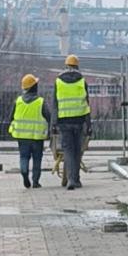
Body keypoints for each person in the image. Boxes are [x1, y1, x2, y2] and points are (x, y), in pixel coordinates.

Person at [54, 54, 91, 190]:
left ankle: (71, 179)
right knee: (77, 151)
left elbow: (55, 104)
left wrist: (54, 123)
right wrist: (89, 124)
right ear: (77, 66)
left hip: (64, 121)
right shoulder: (82, 81)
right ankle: (75, 179)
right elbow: (87, 104)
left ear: (66, 65)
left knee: (68, 151)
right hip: (79, 121)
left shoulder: (58, 81)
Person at [9, 73, 50, 189]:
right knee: (37, 158)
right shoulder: (40, 102)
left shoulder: (18, 102)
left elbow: (10, 117)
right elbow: (49, 117)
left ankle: (24, 173)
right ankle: (36, 181)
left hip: (22, 137)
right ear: (34, 87)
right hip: (37, 137)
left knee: (24, 157)